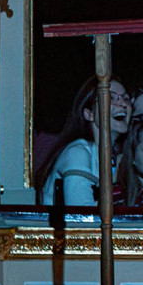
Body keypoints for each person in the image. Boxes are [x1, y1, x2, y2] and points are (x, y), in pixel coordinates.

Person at [36, 77, 130, 206]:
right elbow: (81, 213)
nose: (123, 104)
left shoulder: (118, 156)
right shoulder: (78, 153)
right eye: (111, 98)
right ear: (89, 114)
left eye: (126, 98)